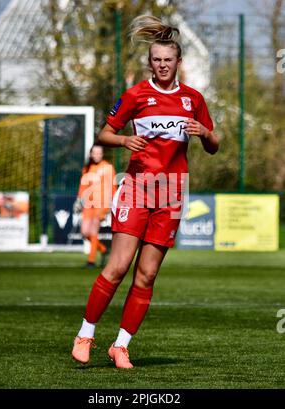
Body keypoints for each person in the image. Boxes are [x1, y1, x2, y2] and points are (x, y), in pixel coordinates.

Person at [72, 15, 219, 369]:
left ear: (178, 62)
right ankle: (85, 334)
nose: (163, 65)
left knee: (148, 274)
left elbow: (213, 145)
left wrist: (205, 133)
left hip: (171, 191)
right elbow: (104, 134)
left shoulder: (192, 99)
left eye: (168, 60)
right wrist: (123, 139)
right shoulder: (137, 94)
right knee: (118, 266)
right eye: (157, 60)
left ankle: (120, 345)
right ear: (150, 62)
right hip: (138, 187)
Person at [73, 144, 116, 268]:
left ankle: (91, 261)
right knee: (85, 232)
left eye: (99, 153)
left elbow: (113, 186)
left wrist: (111, 202)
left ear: (102, 154)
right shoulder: (87, 168)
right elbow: (83, 187)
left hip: (102, 203)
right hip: (88, 205)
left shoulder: (108, 167)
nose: (97, 155)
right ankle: (103, 249)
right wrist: (78, 201)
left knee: (93, 230)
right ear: (91, 154)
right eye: (94, 152)